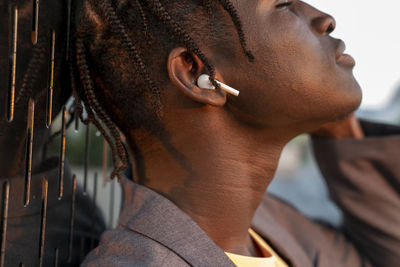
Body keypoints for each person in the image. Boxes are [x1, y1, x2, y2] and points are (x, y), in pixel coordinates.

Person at [68, 0, 400, 266]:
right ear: (196, 73)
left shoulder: (275, 229)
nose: (325, 19)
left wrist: (342, 135)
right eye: (283, 5)